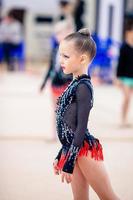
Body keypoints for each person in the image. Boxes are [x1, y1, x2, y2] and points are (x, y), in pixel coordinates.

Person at [53, 28, 120, 200]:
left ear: (82, 59)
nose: (61, 60)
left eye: (66, 56)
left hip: (84, 150)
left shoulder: (83, 87)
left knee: (109, 197)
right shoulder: (74, 83)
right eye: (61, 55)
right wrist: (62, 153)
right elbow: (67, 124)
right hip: (74, 149)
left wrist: (69, 159)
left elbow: (80, 127)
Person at [116, 20, 133, 127]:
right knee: (126, 98)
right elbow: (120, 63)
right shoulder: (124, 47)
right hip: (125, 77)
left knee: (129, 99)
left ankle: (126, 117)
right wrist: (118, 78)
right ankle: (123, 118)